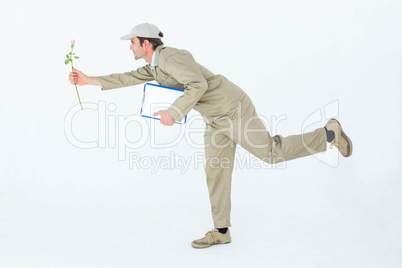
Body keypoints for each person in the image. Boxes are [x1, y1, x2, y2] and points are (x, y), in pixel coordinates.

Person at [69, 23, 353, 249]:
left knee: (271, 154)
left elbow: (198, 83)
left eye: (131, 42)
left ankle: (329, 133)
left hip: (233, 109)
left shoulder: (172, 56)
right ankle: (221, 231)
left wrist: (174, 113)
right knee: (215, 171)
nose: (129, 47)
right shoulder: (155, 65)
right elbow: (128, 78)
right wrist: (88, 80)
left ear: (146, 43)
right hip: (215, 118)